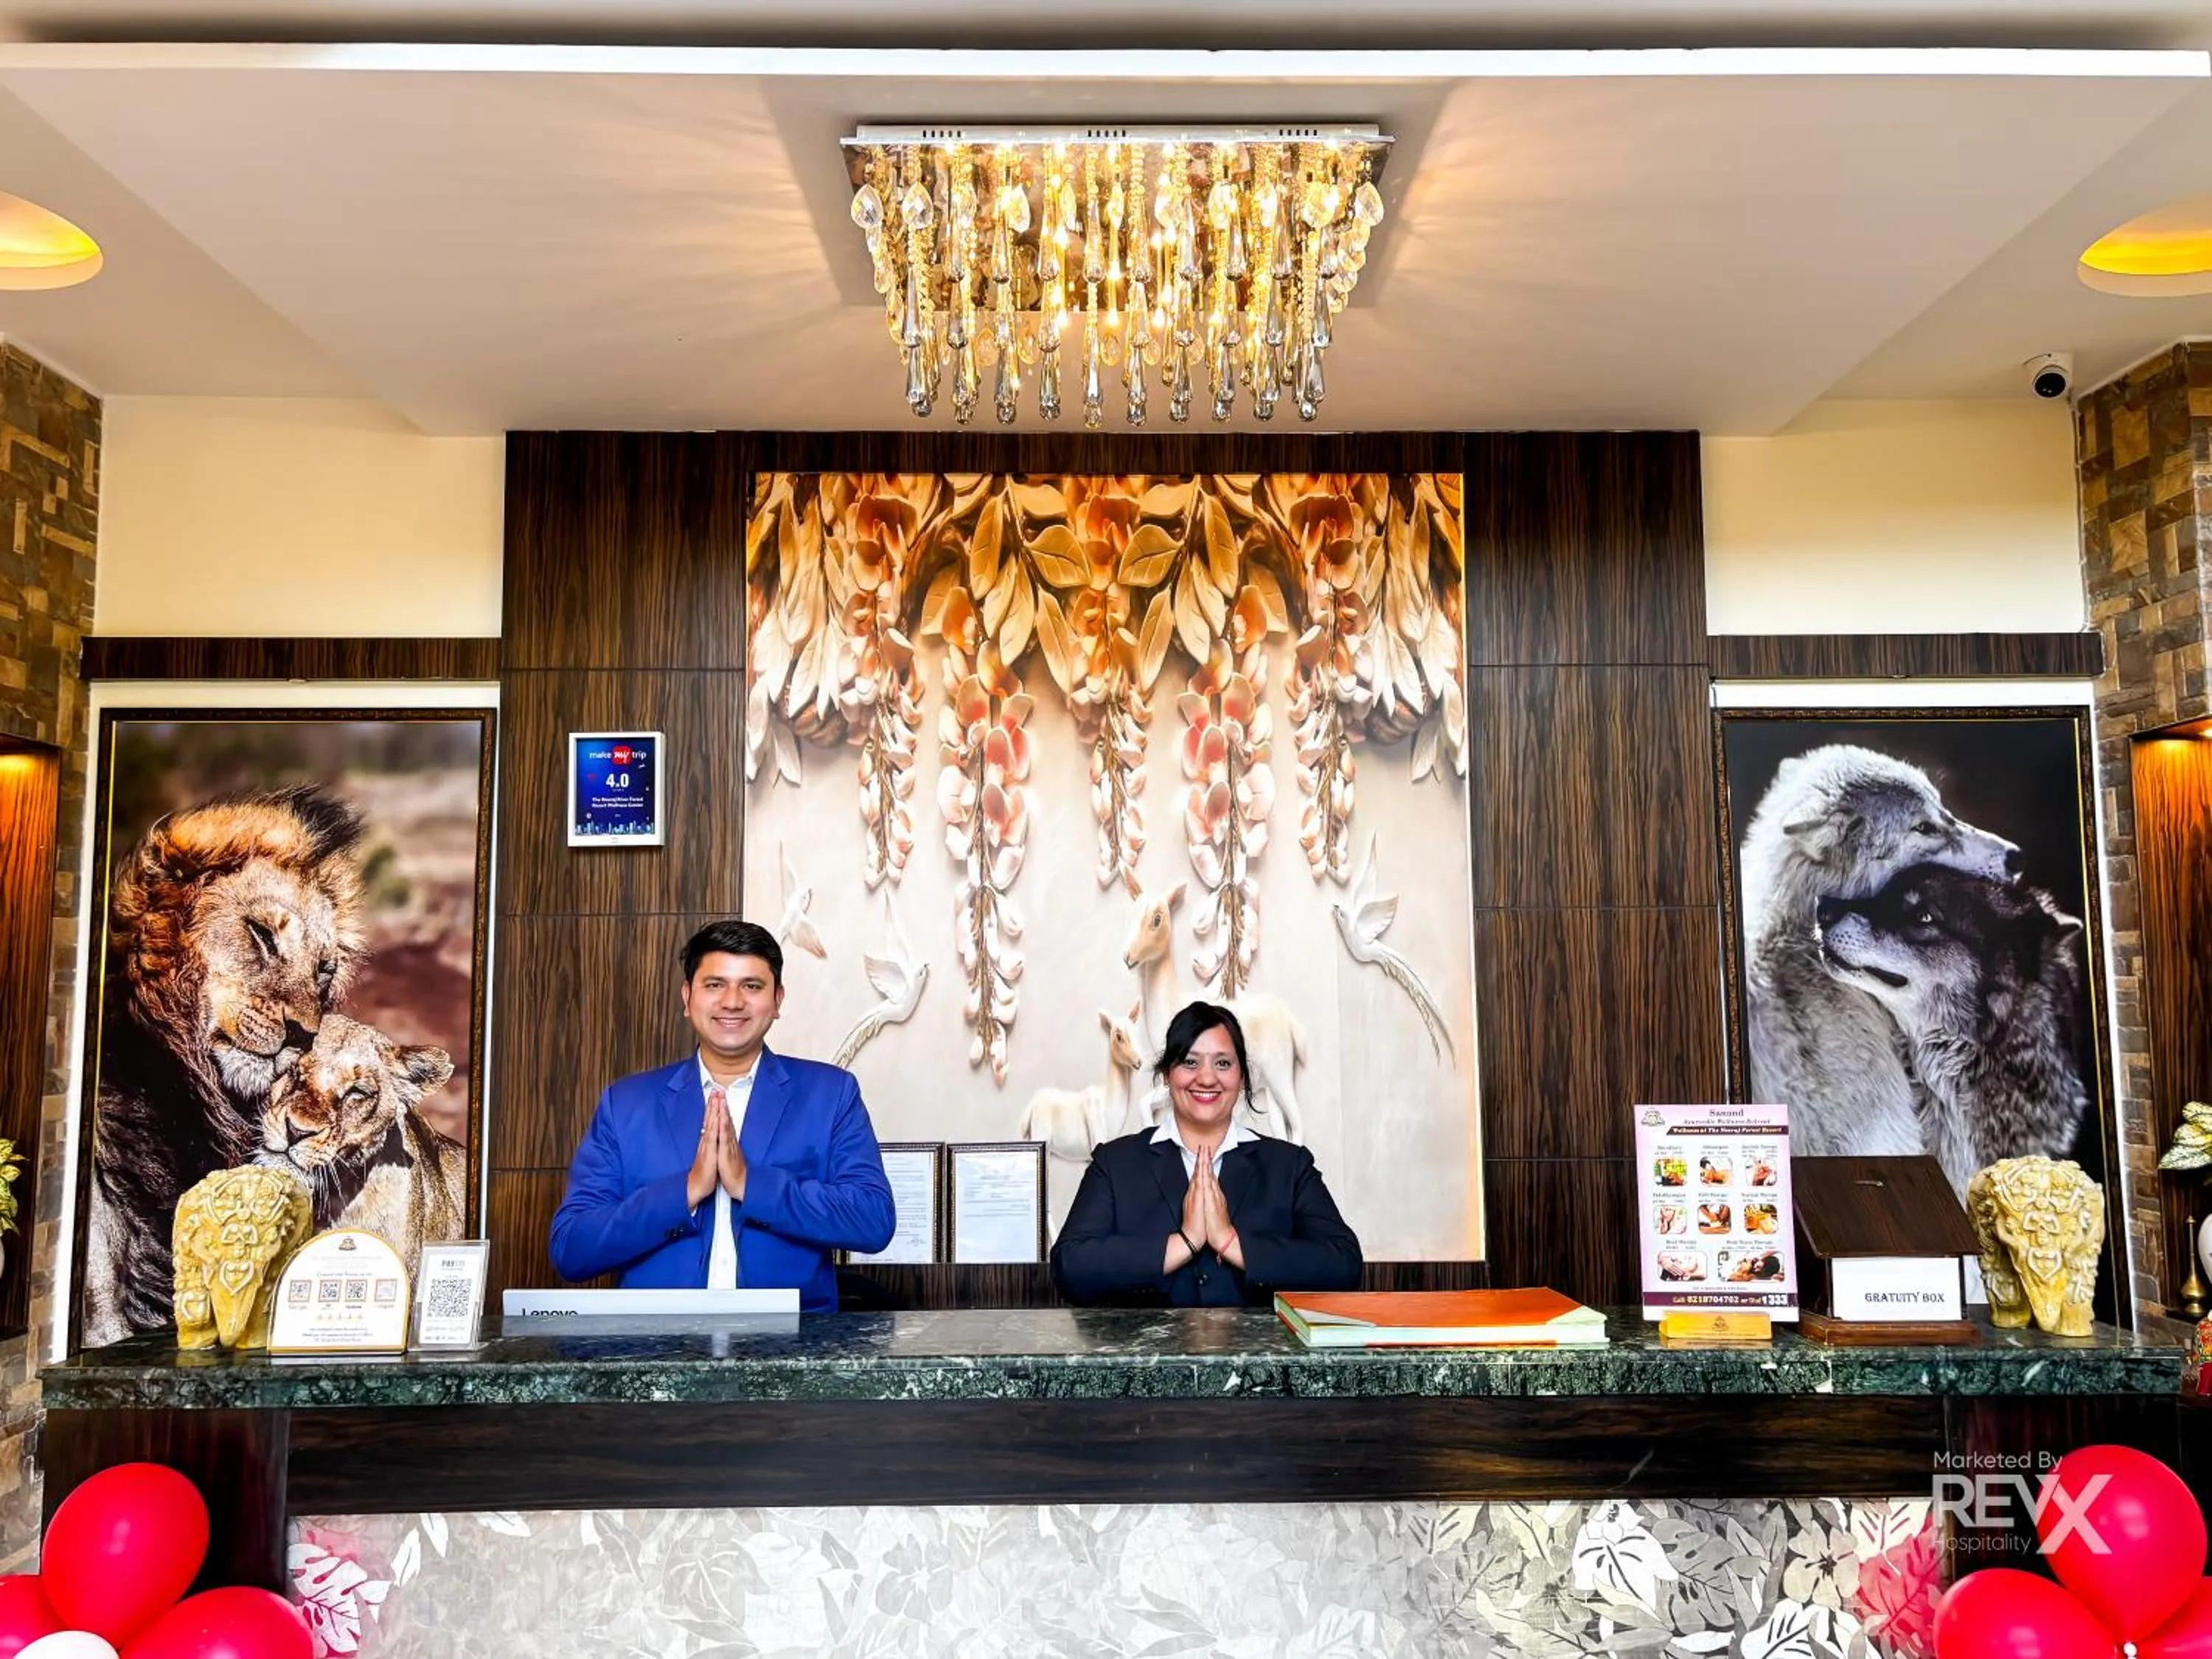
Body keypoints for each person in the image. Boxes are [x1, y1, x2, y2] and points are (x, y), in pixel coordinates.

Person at [549, 919, 895, 1312]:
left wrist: (750, 1184)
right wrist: (687, 1191)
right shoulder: (627, 1104)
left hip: (791, 1352)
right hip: (657, 1352)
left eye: (752, 985)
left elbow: (873, 1221)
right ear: (687, 997)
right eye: (715, 985)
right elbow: (571, 1249)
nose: (733, 1001)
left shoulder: (830, 1094)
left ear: (778, 1000)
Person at [1049, 1001, 1362, 1306]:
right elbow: (1070, 1267)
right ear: (1167, 1074)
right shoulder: (1114, 1164)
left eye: (1223, 1063)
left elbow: (1344, 1265)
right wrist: (1183, 1242)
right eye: (1190, 1062)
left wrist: (1230, 1241)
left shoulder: (1290, 1166)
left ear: (1241, 1078)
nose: (1207, 1078)